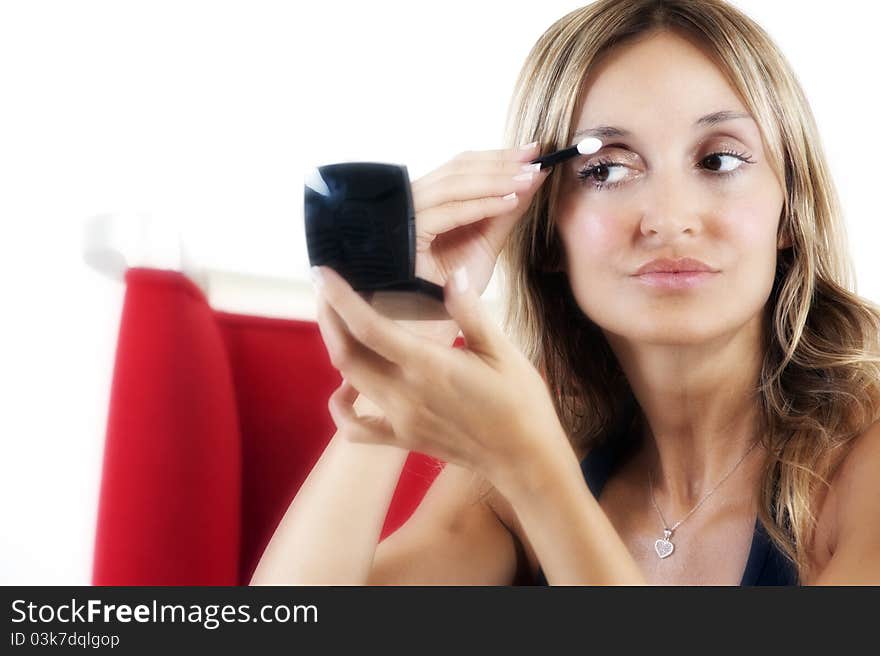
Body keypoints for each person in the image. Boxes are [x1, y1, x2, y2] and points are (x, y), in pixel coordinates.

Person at [250, 0, 880, 586]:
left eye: (718, 160)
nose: (668, 217)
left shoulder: (863, 464)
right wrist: (409, 328)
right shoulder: (543, 446)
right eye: (604, 169)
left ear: (791, 212)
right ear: (547, 229)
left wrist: (537, 475)